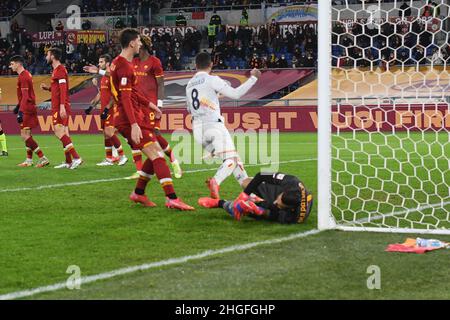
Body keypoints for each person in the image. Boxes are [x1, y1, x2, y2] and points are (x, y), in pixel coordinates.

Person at [109, 28, 193, 210]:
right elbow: (124, 98)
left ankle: (138, 193)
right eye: (138, 41)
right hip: (129, 118)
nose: (140, 44)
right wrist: (133, 125)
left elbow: (132, 93)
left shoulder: (119, 63)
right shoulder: (124, 66)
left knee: (155, 154)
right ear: (132, 43)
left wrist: (151, 105)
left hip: (134, 115)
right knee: (157, 156)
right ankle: (171, 198)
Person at [186, 52, 260, 199]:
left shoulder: (189, 84)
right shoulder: (212, 79)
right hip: (213, 125)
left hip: (198, 130)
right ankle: (216, 181)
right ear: (211, 64)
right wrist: (254, 78)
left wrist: (212, 98)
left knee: (235, 161)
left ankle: (251, 194)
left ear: (195, 66)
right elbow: (236, 94)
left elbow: (189, 108)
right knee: (231, 160)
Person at [199, 172, 314, 224]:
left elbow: (273, 215)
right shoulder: (291, 181)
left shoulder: (296, 216)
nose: (276, 201)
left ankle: (220, 203)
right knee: (246, 183)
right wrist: (243, 196)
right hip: (282, 193)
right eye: (278, 199)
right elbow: (261, 175)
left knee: (247, 209)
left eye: (279, 204)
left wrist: (260, 209)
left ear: (289, 208)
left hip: (277, 211)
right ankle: (248, 202)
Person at [40, 47, 83, 169]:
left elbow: (64, 89)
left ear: (53, 56)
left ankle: (76, 157)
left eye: (47, 55)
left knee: (58, 131)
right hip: (59, 105)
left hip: (60, 106)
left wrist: (62, 106)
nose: (46, 57)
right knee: (64, 133)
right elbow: (57, 89)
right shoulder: (56, 71)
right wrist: (48, 88)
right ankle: (69, 161)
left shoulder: (60, 70)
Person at [84, 54, 128, 167]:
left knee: (109, 132)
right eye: (99, 62)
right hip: (103, 109)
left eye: (102, 62)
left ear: (108, 63)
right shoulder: (103, 78)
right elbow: (101, 94)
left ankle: (122, 156)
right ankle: (109, 158)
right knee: (105, 134)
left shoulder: (111, 76)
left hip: (111, 109)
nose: (99, 64)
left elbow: (115, 95)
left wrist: (107, 108)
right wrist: (91, 107)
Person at [10, 55, 49, 168]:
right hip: (27, 106)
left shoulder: (24, 77)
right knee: (27, 134)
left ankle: (43, 158)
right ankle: (29, 160)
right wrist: (18, 106)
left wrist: (21, 111)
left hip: (27, 108)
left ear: (18, 64)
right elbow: (25, 95)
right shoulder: (25, 75)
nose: (11, 66)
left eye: (12, 64)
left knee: (24, 136)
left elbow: (26, 95)